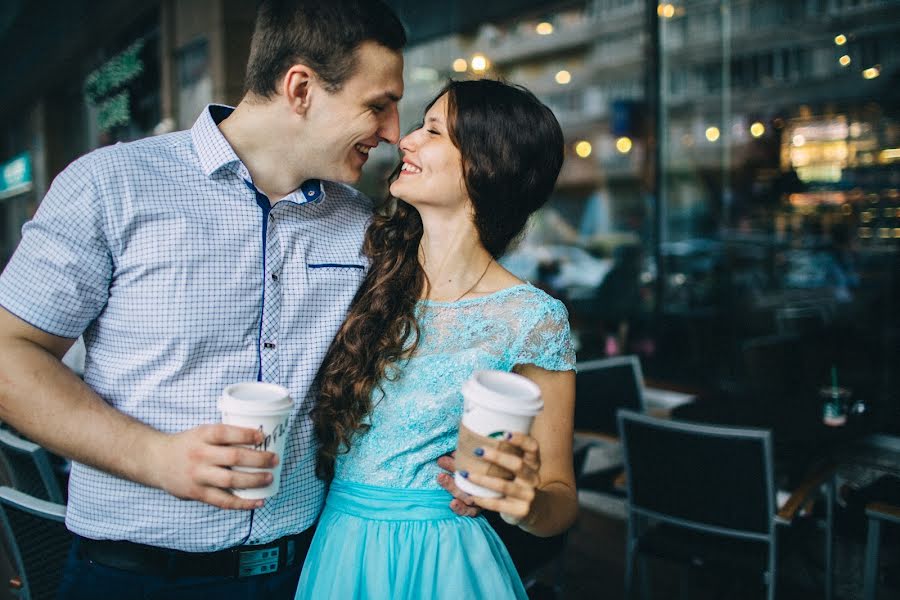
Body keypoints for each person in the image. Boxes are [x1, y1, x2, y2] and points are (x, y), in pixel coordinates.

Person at [0, 1, 429, 598]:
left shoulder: (358, 222)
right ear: (300, 88)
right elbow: (9, 355)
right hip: (132, 577)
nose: (392, 130)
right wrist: (157, 458)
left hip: (305, 570)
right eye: (378, 104)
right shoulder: (109, 184)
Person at [296, 79, 578, 599]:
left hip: (444, 561)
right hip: (338, 547)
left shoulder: (533, 318)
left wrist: (524, 503)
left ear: (484, 163)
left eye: (431, 130)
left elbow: (559, 500)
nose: (404, 140)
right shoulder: (364, 270)